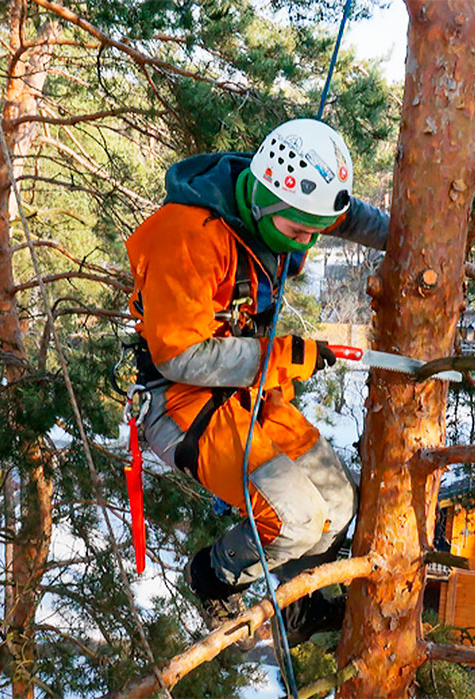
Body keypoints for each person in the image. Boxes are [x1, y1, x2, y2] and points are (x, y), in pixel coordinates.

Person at [125, 118, 388, 641]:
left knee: (337, 504)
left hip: (243, 386)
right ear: (266, 204)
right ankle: (212, 579)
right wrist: (282, 356)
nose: (308, 241)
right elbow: (180, 356)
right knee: (294, 521)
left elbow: (345, 216)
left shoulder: (289, 200)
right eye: (298, 234)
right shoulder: (187, 237)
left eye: (315, 230)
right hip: (181, 401)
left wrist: (410, 233)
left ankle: (299, 605)